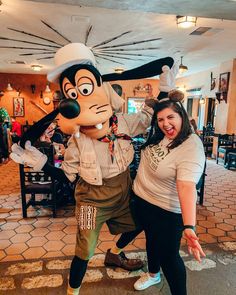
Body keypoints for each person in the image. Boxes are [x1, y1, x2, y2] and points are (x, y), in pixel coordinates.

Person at [10, 43, 175, 295]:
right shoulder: (77, 141)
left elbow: (148, 117)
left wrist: (164, 92)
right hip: (90, 202)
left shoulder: (123, 124)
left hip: (122, 192)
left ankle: (115, 254)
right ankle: (72, 291)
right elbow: (67, 176)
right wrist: (39, 162)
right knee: (84, 249)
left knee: (139, 223)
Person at [132, 89, 206, 295]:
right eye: (161, 119)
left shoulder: (191, 146)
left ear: (181, 115)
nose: (165, 124)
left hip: (166, 211)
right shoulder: (161, 135)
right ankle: (154, 275)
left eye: (171, 117)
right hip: (143, 201)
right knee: (151, 240)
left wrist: (189, 226)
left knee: (169, 257)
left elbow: (187, 186)